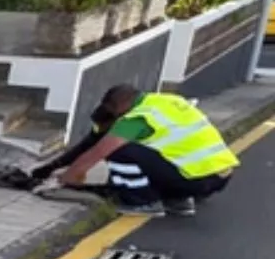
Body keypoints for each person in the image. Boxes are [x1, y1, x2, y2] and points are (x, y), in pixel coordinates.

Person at [56, 85, 238, 216]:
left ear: (117, 107)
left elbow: (97, 152)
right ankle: (178, 201)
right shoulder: (168, 101)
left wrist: (69, 177)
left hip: (195, 179)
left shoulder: (137, 117)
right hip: (220, 176)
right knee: (151, 157)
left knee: (121, 151)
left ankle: (142, 202)